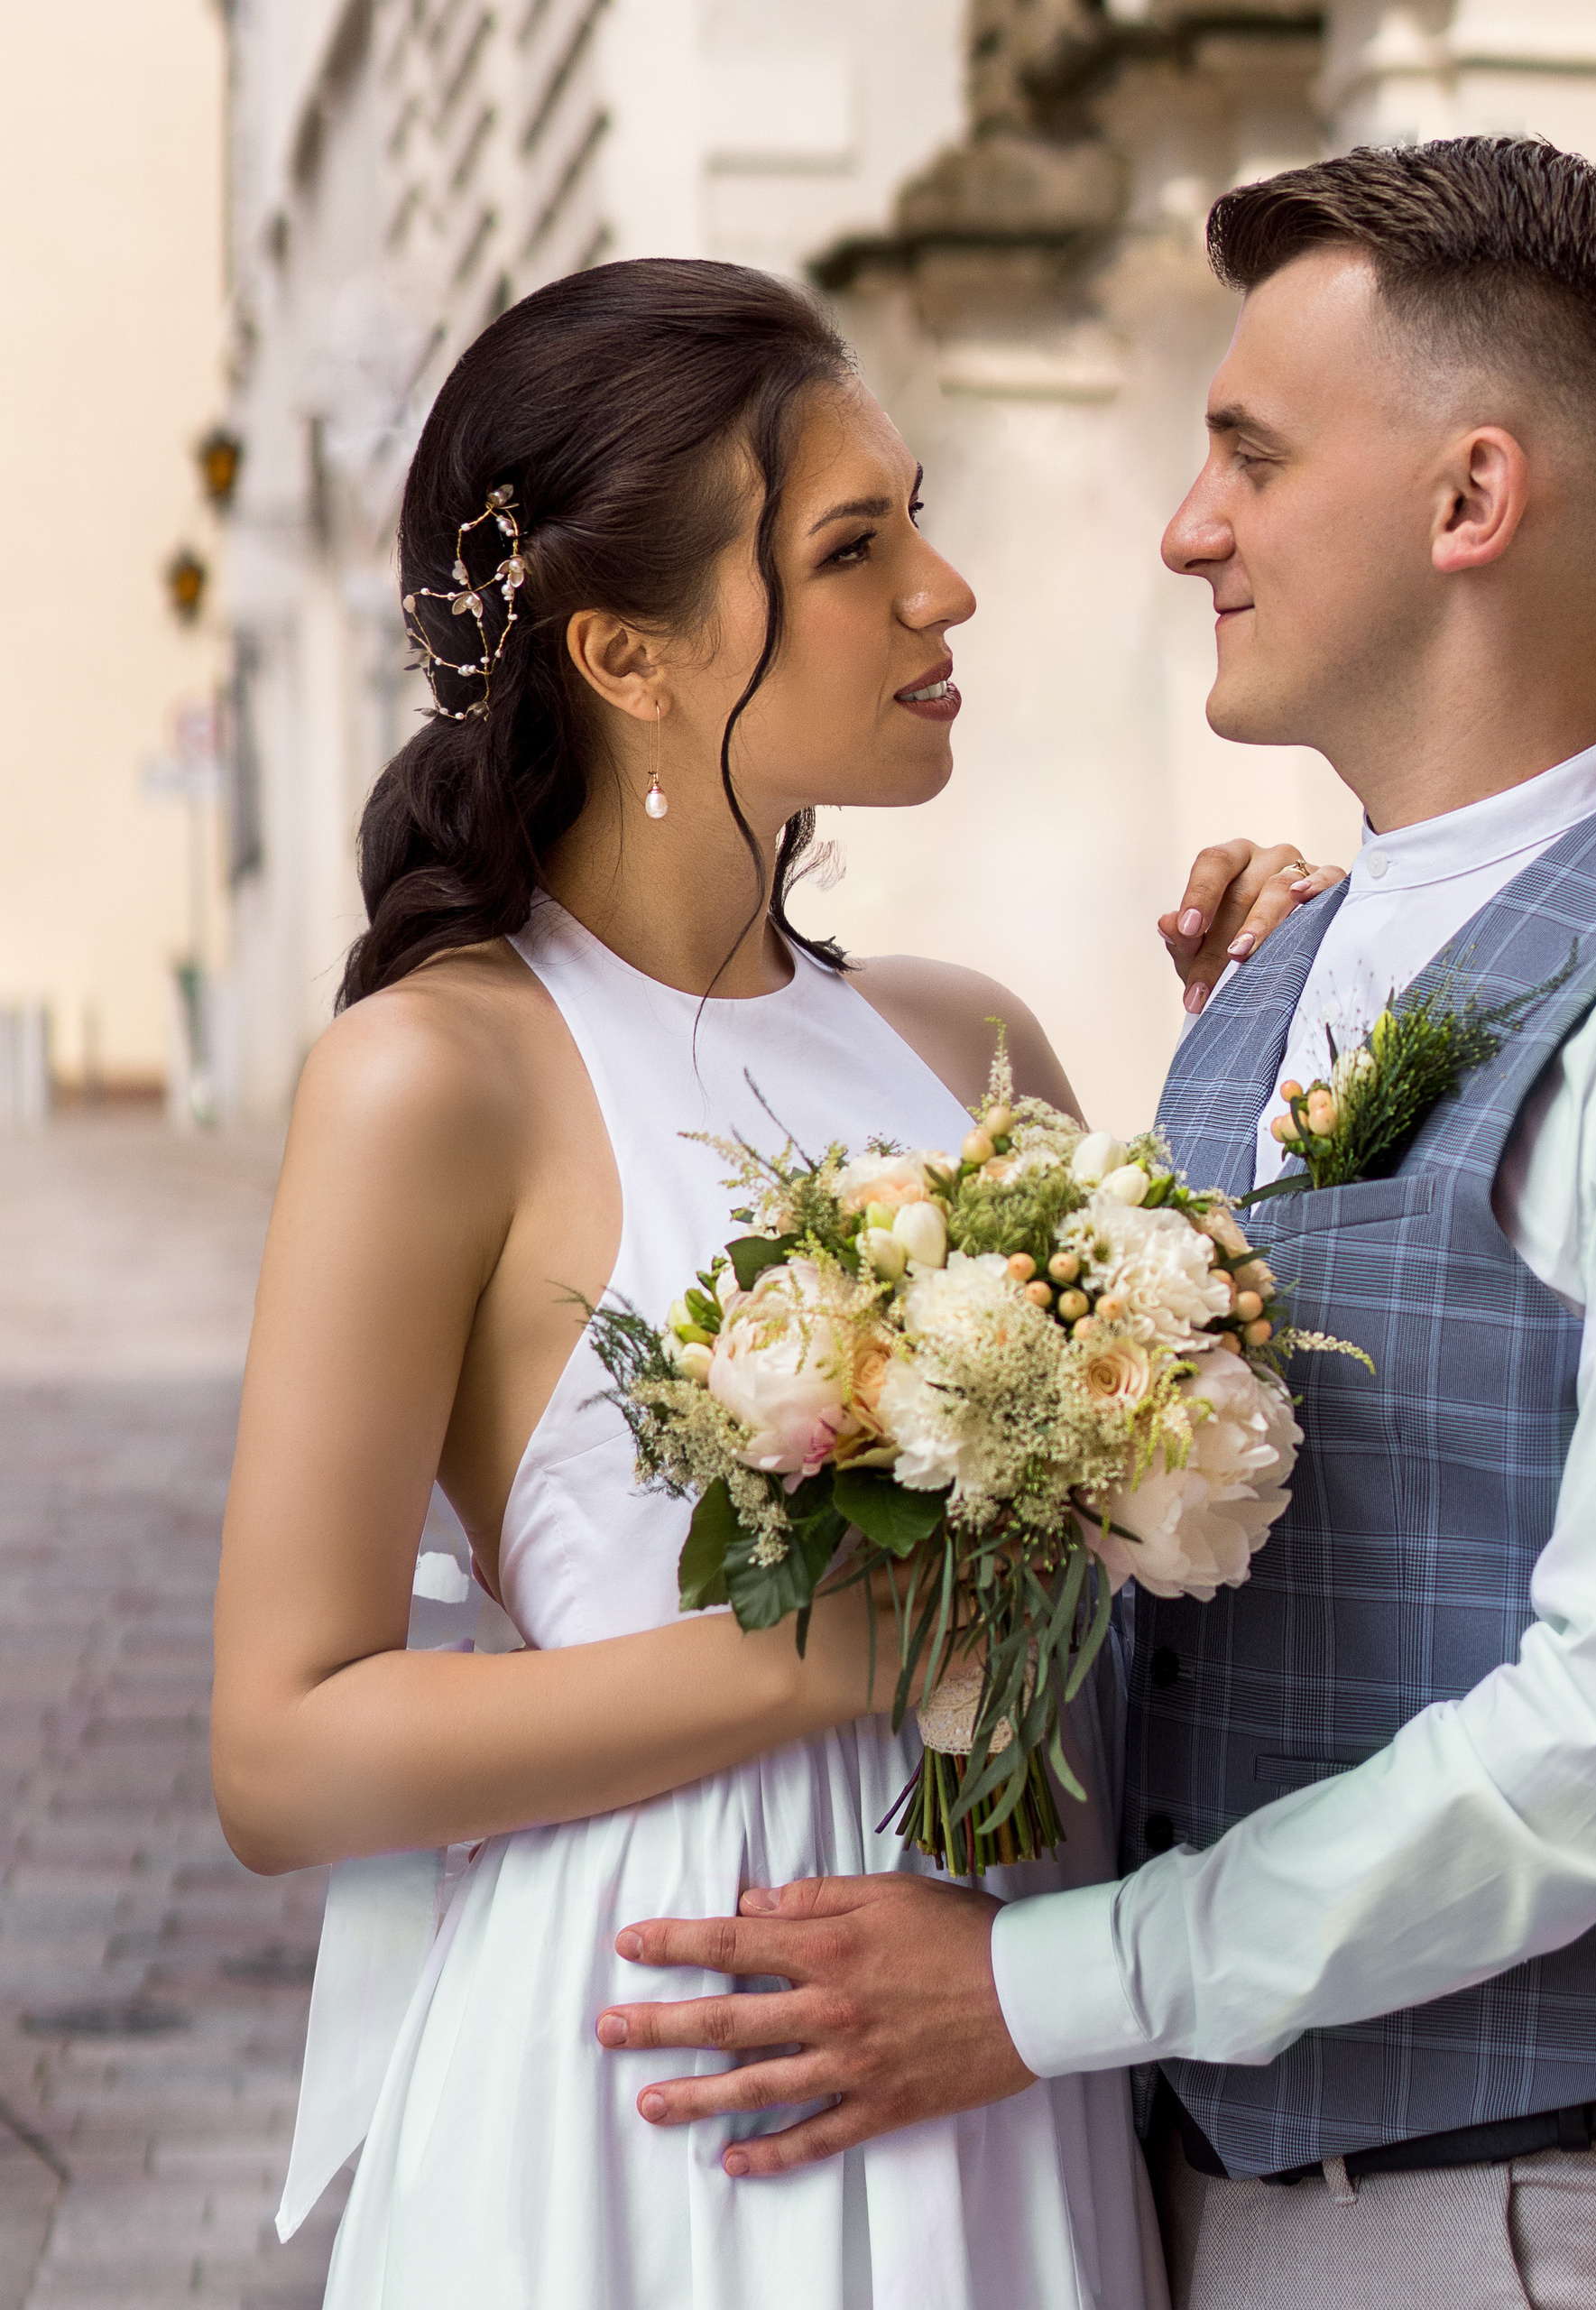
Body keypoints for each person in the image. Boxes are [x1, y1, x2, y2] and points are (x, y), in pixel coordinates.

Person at [601, 140, 1596, 2307]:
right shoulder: (1293, 964)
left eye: (1244, 451)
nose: (1184, 525)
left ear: (1464, 503)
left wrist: (1043, 1986)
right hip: (1198, 2202)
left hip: (1560, 2220)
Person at [209, 255, 1336, 2307]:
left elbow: (1145, 1561)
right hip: (662, 2073)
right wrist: (818, 1658)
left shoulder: (961, 1033)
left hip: (1001, 2027)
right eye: (853, 546)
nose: (943, 588)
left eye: (912, 514)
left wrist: (1259, 1074)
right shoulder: (434, 1074)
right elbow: (284, 1752)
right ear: (629, 652)